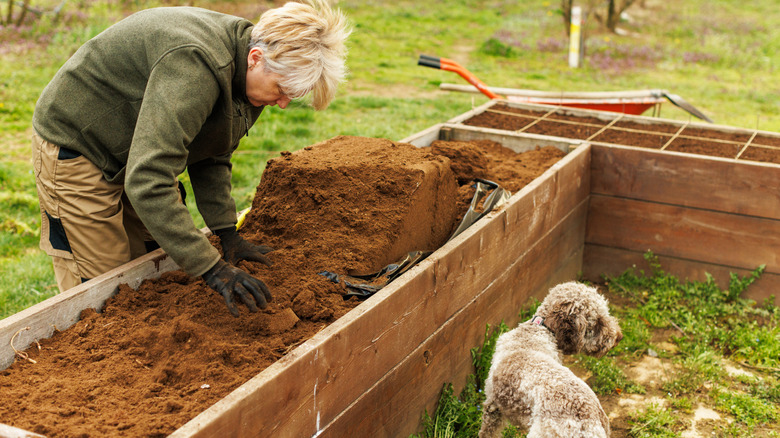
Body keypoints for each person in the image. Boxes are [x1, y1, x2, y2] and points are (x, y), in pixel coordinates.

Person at [31, 0, 351, 316]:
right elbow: (149, 179)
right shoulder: (196, 66)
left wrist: (226, 231)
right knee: (105, 289)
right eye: (281, 90)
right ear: (256, 58)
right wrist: (212, 269)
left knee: (151, 264)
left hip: (139, 145)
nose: (282, 103)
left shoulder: (247, 79)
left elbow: (212, 153)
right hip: (81, 145)